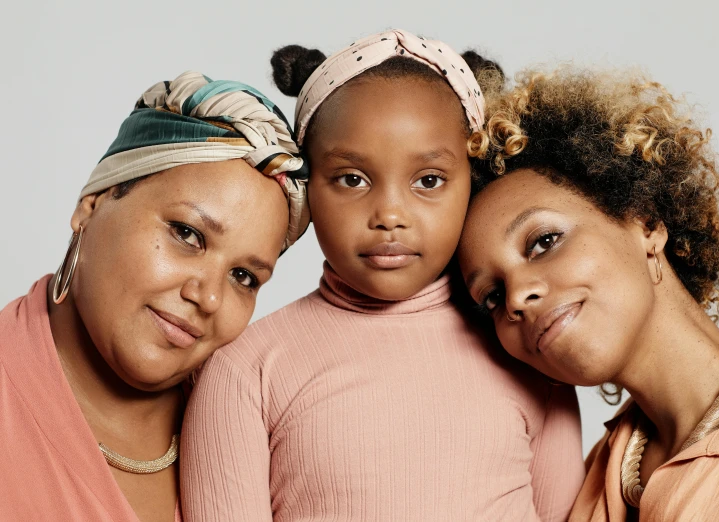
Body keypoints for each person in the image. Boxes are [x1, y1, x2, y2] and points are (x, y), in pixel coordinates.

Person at [182, 30, 584, 522]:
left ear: (471, 179)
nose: (390, 215)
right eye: (352, 179)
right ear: (308, 187)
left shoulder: (528, 352)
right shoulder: (245, 372)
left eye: (428, 181)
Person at [458, 66, 719, 521]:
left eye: (544, 242)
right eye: (491, 296)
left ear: (644, 222)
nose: (515, 298)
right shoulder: (589, 486)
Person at [0, 70, 308, 522]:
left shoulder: (258, 427)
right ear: (95, 202)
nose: (208, 297)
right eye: (187, 233)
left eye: (244, 276)